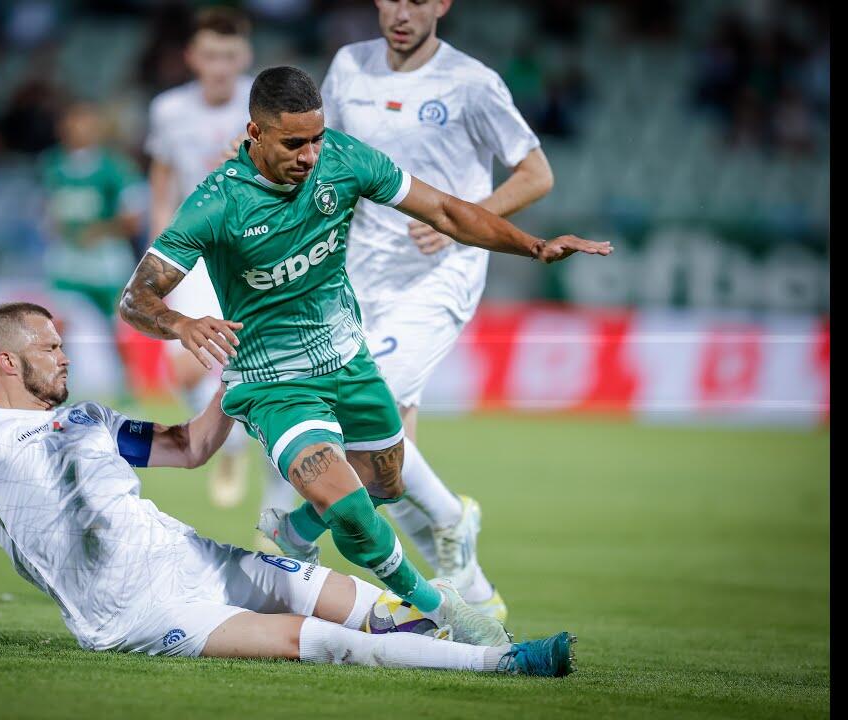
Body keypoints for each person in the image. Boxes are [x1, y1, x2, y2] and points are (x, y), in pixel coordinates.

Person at [118, 66, 610, 646]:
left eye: (316, 138)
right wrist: (180, 323)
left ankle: (294, 531)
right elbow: (136, 299)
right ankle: (443, 613)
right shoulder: (217, 201)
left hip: (348, 360)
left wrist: (534, 246)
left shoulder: (343, 160)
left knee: (386, 483)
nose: (309, 155)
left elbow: (445, 211)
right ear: (254, 133)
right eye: (293, 143)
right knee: (351, 507)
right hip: (273, 380)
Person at [0, 302, 575, 677]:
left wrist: (238, 378)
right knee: (312, 641)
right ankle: (503, 665)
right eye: (50, 347)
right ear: (7, 361)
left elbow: (190, 447)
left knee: (365, 604)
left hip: (192, 556)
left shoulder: (90, 418)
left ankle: (474, 630)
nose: (64, 356)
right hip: (133, 609)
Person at [306, 0, 558, 622]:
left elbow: (536, 174)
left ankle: (453, 518)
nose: (402, 11)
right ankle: (471, 597)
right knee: (383, 464)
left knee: (375, 411)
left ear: (442, 4)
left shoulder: (471, 82)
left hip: (440, 273)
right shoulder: (350, 66)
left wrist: (463, 219)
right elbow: (321, 156)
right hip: (359, 274)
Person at [145, 7, 294, 521]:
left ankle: (276, 507)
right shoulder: (169, 110)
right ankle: (229, 444)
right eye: (210, 56)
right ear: (192, 57)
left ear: (244, 56)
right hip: (194, 248)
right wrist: (158, 250)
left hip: (256, 252)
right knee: (185, 367)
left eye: (229, 56)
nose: (220, 67)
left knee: (271, 374)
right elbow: (162, 180)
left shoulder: (268, 104)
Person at [39, 99, 145, 401]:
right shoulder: (53, 165)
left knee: (115, 329)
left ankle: (127, 391)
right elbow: (50, 209)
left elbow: (133, 219)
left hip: (104, 260)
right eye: (75, 121)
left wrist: (100, 231)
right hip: (68, 259)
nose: (80, 128)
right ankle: (59, 390)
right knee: (57, 327)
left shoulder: (114, 168)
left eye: (86, 121)